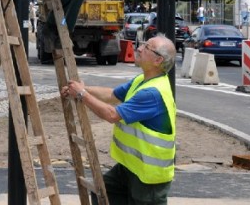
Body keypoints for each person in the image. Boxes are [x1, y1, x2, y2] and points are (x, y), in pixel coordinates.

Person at [61, 35, 177, 205]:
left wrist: (81, 94)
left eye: (146, 47)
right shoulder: (142, 80)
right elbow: (111, 94)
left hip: (148, 176)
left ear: (158, 60)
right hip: (130, 167)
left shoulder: (152, 93)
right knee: (103, 191)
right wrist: (82, 89)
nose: (138, 48)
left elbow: (112, 115)